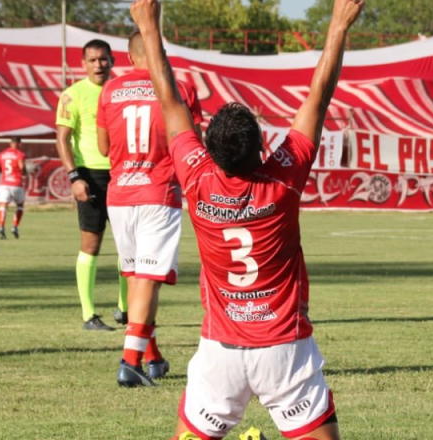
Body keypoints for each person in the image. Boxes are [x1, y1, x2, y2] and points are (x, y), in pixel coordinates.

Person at [129, 0, 363, 438]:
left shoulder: (196, 177)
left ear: (210, 150)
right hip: (284, 350)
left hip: (220, 351)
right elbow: (318, 96)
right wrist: (337, 25)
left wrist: (147, 24)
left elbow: (168, 97)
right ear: (261, 149)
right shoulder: (283, 178)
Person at [97, 31, 204, 386]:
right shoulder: (179, 88)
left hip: (120, 194)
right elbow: (192, 142)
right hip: (158, 191)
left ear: (128, 59)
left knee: (137, 278)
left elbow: (101, 146)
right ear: (161, 54)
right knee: (147, 278)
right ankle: (130, 362)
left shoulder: (110, 90)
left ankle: (151, 355)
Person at [55, 39, 129, 331]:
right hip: (90, 176)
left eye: (104, 59)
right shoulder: (72, 95)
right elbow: (62, 138)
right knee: (91, 244)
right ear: (83, 63)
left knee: (128, 246)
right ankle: (89, 315)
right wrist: (75, 177)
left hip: (124, 174)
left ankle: (125, 309)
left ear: (112, 60)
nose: (99, 65)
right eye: (93, 60)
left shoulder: (123, 90)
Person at [0, 137, 27, 240]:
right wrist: (25, 172)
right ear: (19, 144)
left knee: (3, 205)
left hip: (4, 183)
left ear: (10, 143)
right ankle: (14, 226)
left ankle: (1, 227)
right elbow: (21, 167)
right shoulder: (19, 154)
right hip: (16, 183)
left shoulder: (2, 154)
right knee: (20, 205)